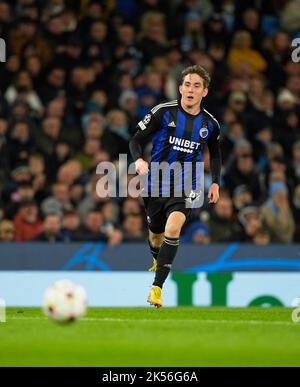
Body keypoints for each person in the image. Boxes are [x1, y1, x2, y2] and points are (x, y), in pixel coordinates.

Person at [129, 64, 221, 308]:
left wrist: (215, 184)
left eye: (197, 86)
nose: (191, 89)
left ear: (205, 92)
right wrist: (138, 159)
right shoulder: (163, 112)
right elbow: (136, 139)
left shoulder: (210, 124)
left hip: (186, 184)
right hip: (155, 184)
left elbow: (216, 154)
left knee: (173, 229)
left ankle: (156, 289)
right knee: (156, 234)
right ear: (180, 88)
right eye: (187, 84)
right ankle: (157, 260)